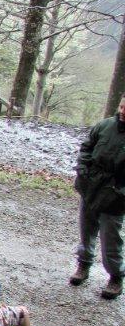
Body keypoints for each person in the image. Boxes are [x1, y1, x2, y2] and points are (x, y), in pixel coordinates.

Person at [69, 92, 125, 299]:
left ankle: (116, 276)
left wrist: (120, 192)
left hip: (116, 196)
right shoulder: (104, 126)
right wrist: (83, 172)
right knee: (86, 230)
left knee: (111, 239)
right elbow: (86, 149)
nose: (122, 112)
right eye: (121, 107)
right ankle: (83, 265)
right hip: (91, 188)